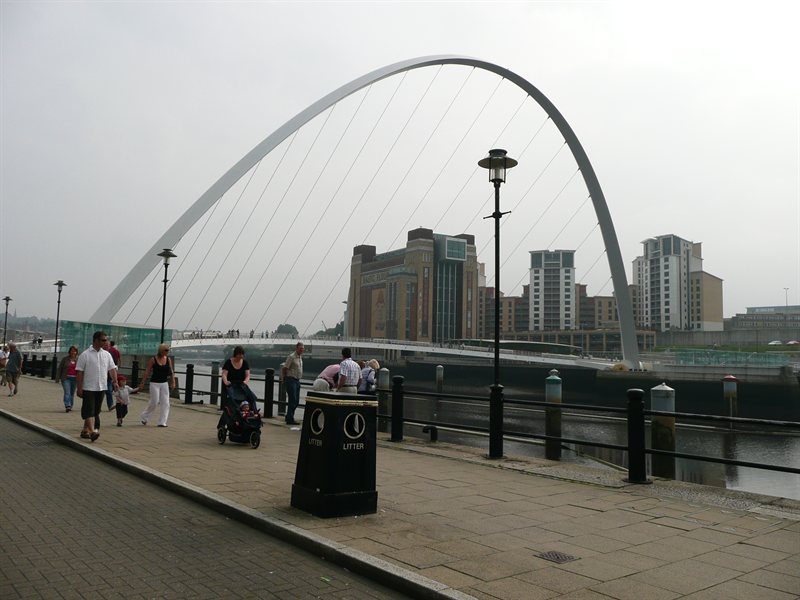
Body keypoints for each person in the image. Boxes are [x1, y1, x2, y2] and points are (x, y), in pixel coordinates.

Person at [76, 331, 118, 442]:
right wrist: (79, 388)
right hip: (88, 387)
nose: (106, 342)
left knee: (95, 411)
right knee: (89, 409)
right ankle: (92, 432)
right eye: (103, 340)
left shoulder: (107, 355)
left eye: (106, 340)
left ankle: (85, 430)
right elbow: (79, 372)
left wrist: (115, 381)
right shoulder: (85, 355)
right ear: (96, 340)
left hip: (101, 387)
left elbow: (112, 369)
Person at [138, 343, 176, 427]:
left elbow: (171, 371)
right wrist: (142, 382)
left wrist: (173, 382)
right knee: (154, 401)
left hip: (164, 383)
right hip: (154, 383)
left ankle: (162, 422)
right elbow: (147, 371)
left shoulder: (168, 359)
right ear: (161, 351)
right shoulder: (153, 359)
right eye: (166, 350)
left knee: (166, 403)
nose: (168, 352)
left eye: (168, 350)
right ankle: (145, 416)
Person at [221, 345, 258, 411]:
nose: (241, 356)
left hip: (241, 384)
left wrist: (245, 382)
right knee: (233, 397)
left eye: (242, 354)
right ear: (236, 354)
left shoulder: (245, 363)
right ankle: (237, 410)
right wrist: (226, 382)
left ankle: (254, 410)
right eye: (239, 354)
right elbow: (224, 374)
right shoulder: (228, 362)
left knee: (251, 396)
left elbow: (248, 375)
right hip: (231, 384)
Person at [282, 342, 304, 424]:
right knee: (292, 400)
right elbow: (284, 368)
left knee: (296, 401)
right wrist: (284, 379)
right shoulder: (291, 357)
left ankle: (288, 416)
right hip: (291, 379)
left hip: (297, 380)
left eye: (303, 349)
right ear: (296, 348)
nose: (302, 350)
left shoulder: (300, 357)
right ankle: (290, 419)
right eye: (300, 348)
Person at [57, 345, 79, 412]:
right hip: (66, 378)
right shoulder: (65, 359)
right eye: (72, 351)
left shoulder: (78, 359)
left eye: (74, 351)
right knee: (67, 392)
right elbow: (60, 368)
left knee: (72, 393)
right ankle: (67, 405)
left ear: (76, 352)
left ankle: (70, 405)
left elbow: (81, 370)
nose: (73, 352)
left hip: (75, 379)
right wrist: (57, 378)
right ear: (69, 351)